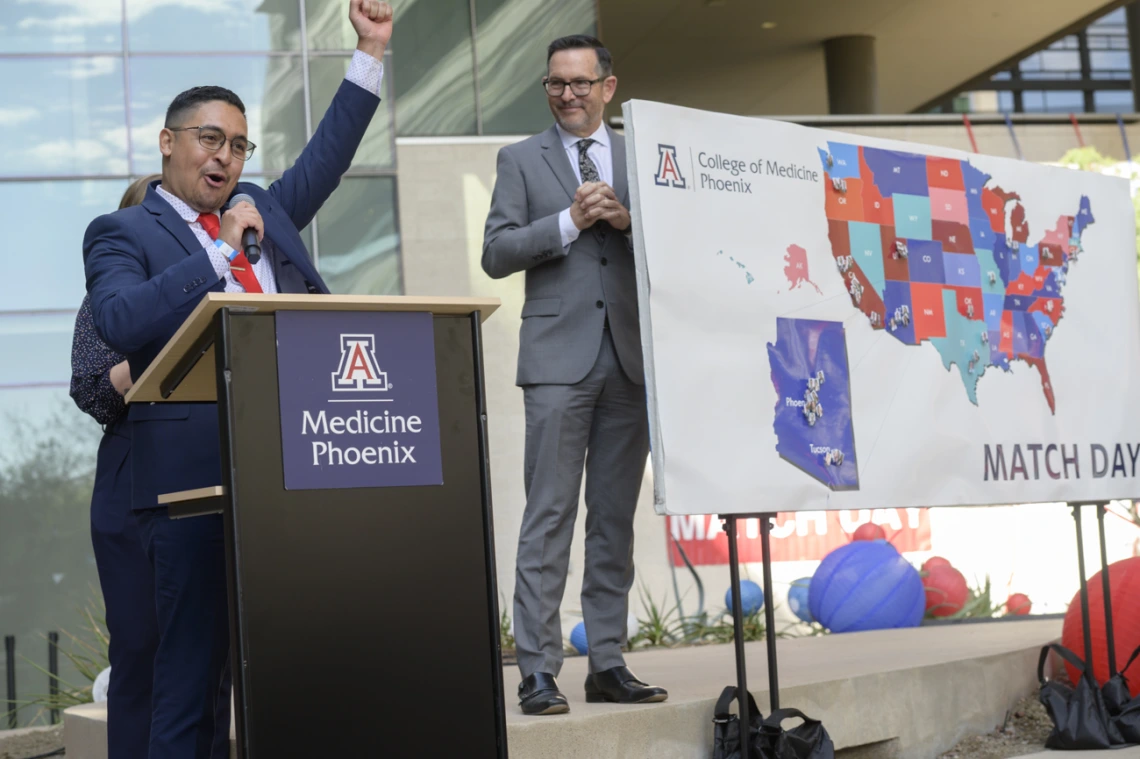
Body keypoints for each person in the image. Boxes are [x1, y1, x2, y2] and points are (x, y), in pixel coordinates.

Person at [82, 2, 393, 756]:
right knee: (176, 690)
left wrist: (371, 50)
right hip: (175, 491)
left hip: (272, 482)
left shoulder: (266, 213)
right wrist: (220, 257)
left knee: (230, 683)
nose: (226, 157)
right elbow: (120, 319)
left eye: (240, 144)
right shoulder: (123, 232)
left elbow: (327, 155)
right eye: (209, 139)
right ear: (168, 144)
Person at [481, 34, 666, 715]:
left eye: (581, 83)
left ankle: (608, 662)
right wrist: (565, 221)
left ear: (608, 87)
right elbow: (496, 251)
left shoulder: (641, 154)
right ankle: (537, 668)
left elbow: (678, 243)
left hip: (630, 358)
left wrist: (626, 221)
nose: (568, 94)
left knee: (614, 518)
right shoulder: (519, 158)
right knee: (549, 515)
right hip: (557, 360)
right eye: (556, 83)